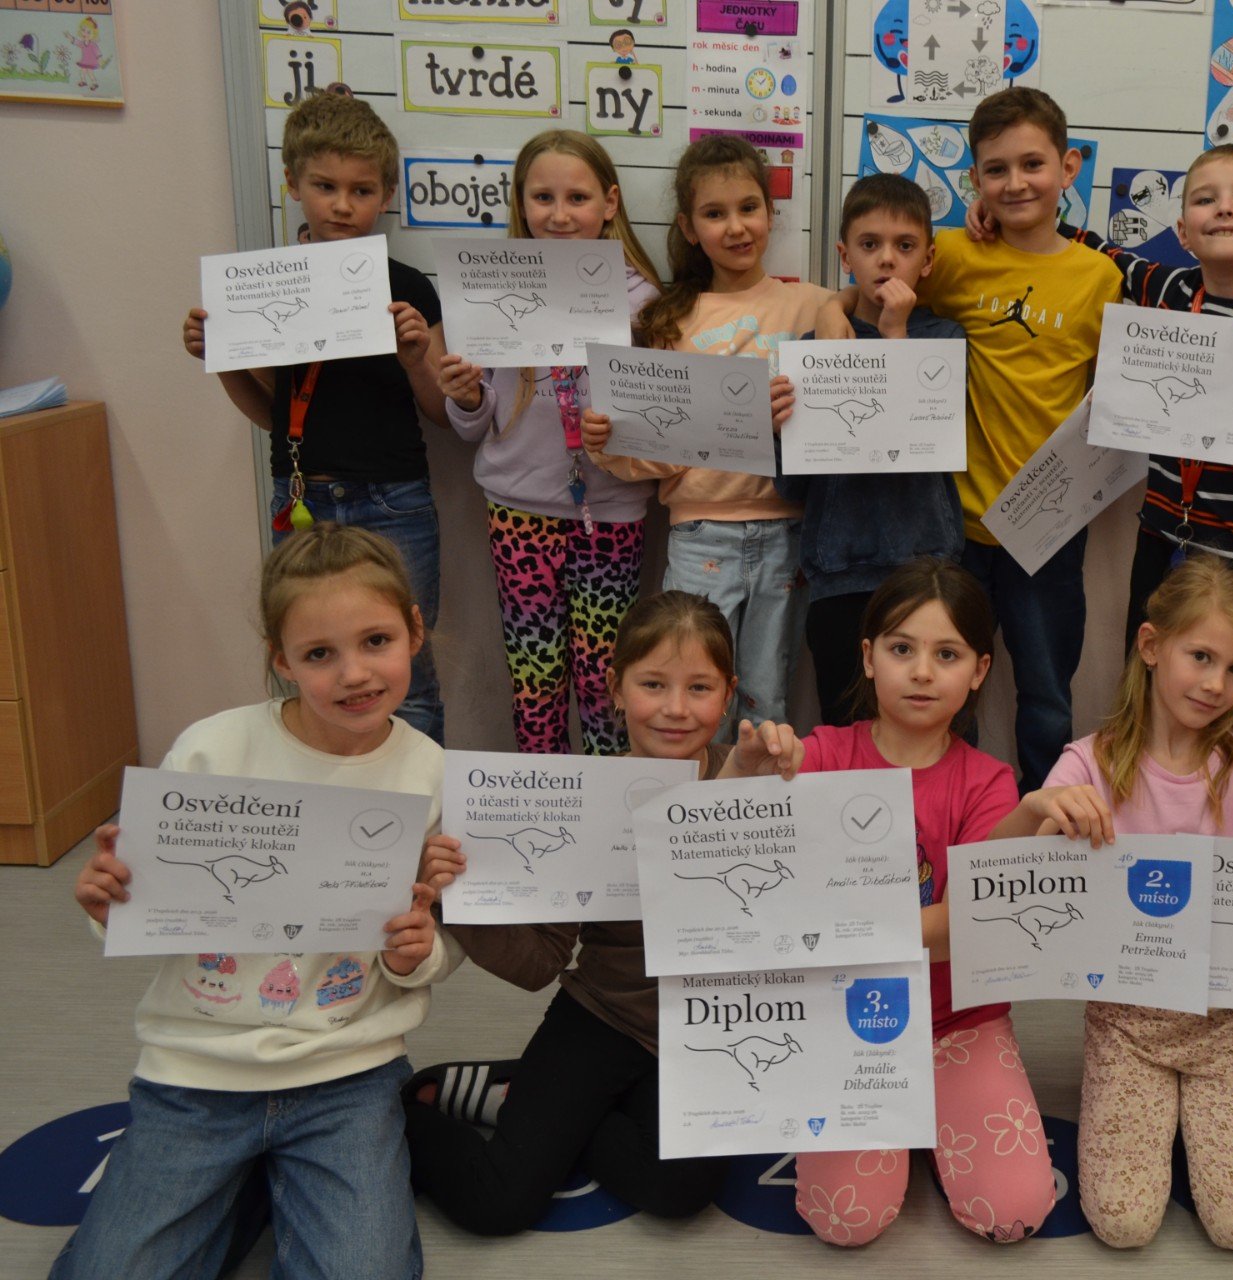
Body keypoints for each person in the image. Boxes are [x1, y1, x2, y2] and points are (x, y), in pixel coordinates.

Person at [57, 524, 458, 1280]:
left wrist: (418, 954)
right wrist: (109, 906)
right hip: (198, 1069)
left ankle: (252, 1187)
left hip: (348, 1070)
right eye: (319, 654)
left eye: (376, 641)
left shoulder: (431, 773)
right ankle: (245, 1187)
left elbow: (438, 934)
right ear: (282, 661)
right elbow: (152, 903)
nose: (354, 674)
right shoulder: (212, 749)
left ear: (414, 628)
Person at [996, 555, 1233, 1250]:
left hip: (1221, 1025)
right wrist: (1036, 807)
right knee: (1123, 1222)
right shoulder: (1087, 762)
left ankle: (1187, 1116)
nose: (1215, 684)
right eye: (1200, 657)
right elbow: (1001, 873)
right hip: (1124, 1021)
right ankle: (1153, 1113)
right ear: (1151, 646)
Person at [969, 143, 1233, 741]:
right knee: (1147, 692)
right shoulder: (1165, 290)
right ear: (1182, 231)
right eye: (1205, 199)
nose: (1224, 208)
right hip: (1164, 543)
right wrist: (1008, 215)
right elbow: (1095, 250)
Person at [403, 592, 764, 1233]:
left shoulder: (757, 783)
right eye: (653, 684)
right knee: (497, 1204)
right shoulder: (582, 799)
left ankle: (521, 1093)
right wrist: (456, 898)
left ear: (728, 694)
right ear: (616, 689)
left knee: (680, 1188)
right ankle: (390, 1117)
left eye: (699, 687)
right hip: (604, 1013)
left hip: (705, 1027)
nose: (676, 708)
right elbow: (539, 964)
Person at [728, 559, 1057, 1244]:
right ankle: (911, 1126)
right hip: (844, 1018)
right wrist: (744, 771)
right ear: (867, 657)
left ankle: (938, 1116)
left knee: (1015, 1211)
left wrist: (847, 928)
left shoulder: (989, 783)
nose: (922, 672)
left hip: (957, 1023)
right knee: (845, 1218)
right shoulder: (819, 756)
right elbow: (726, 858)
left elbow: (967, 923)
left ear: (980, 670)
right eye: (902, 649)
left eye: (947, 654)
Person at [818, 86, 1123, 791]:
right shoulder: (952, 254)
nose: (1015, 183)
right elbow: (877, 283)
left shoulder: (1099, 277)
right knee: (945, 697)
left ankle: (1044, 823)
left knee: (1046, 695)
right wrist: (833, 309)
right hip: (952, 525)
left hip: (1048, 530)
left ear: (1068, 167)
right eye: (996, 170)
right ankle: (947, 822)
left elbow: (1117, 400)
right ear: (974, 180)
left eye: (1032, 164)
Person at [182, 92, 451, 741]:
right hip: (301, 497)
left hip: (395, 500)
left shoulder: (410, 287)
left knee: (408, 673)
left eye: (362, 190)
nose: (342, 205)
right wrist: (222, 358)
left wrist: (418, 357)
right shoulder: (266, 286)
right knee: (316, 671)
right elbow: (272, 416)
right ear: (292, 184)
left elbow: (442, 412)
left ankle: (421, 801)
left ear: (387, 194)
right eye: (325, 186)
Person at [582, 135, 833, 728]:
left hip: (787, 534)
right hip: (699, 535)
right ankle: (696, 792)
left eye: (749, 208)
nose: (736, 227)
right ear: (689, 228)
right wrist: (608, 445)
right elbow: (659, 447)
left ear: (771, 213)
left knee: (768, 699)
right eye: (715, 214)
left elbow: (860, 318)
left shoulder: (813, 306)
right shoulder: (671, 319)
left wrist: (835, 308)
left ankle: (754, 791)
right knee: (694, 698)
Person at [439, 130, 662, 756]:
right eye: (543, 197)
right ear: (521, 202)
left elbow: (660, 420)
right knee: (534, 683)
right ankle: (547, 802)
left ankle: (607, 803)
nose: (560, 214)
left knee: (606, 683)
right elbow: (473, 425)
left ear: (609, 202)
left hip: (611, 515)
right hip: (519, 512)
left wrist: (620, 429)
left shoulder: (644, 301)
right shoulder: (492, 293)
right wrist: (465, 396)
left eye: (577, 198)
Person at [774, 173, 966, 726]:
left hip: (924, 568)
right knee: (846, 723)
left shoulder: (943, 340)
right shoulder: (813, 348)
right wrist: (780, 429)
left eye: (904, 246)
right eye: (869, 244)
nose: (886, 259)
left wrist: (893, 331)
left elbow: (923, 441)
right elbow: (791, 487)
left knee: (931, 722)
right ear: (845, 256)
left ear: (927, 260)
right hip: (838, 572)